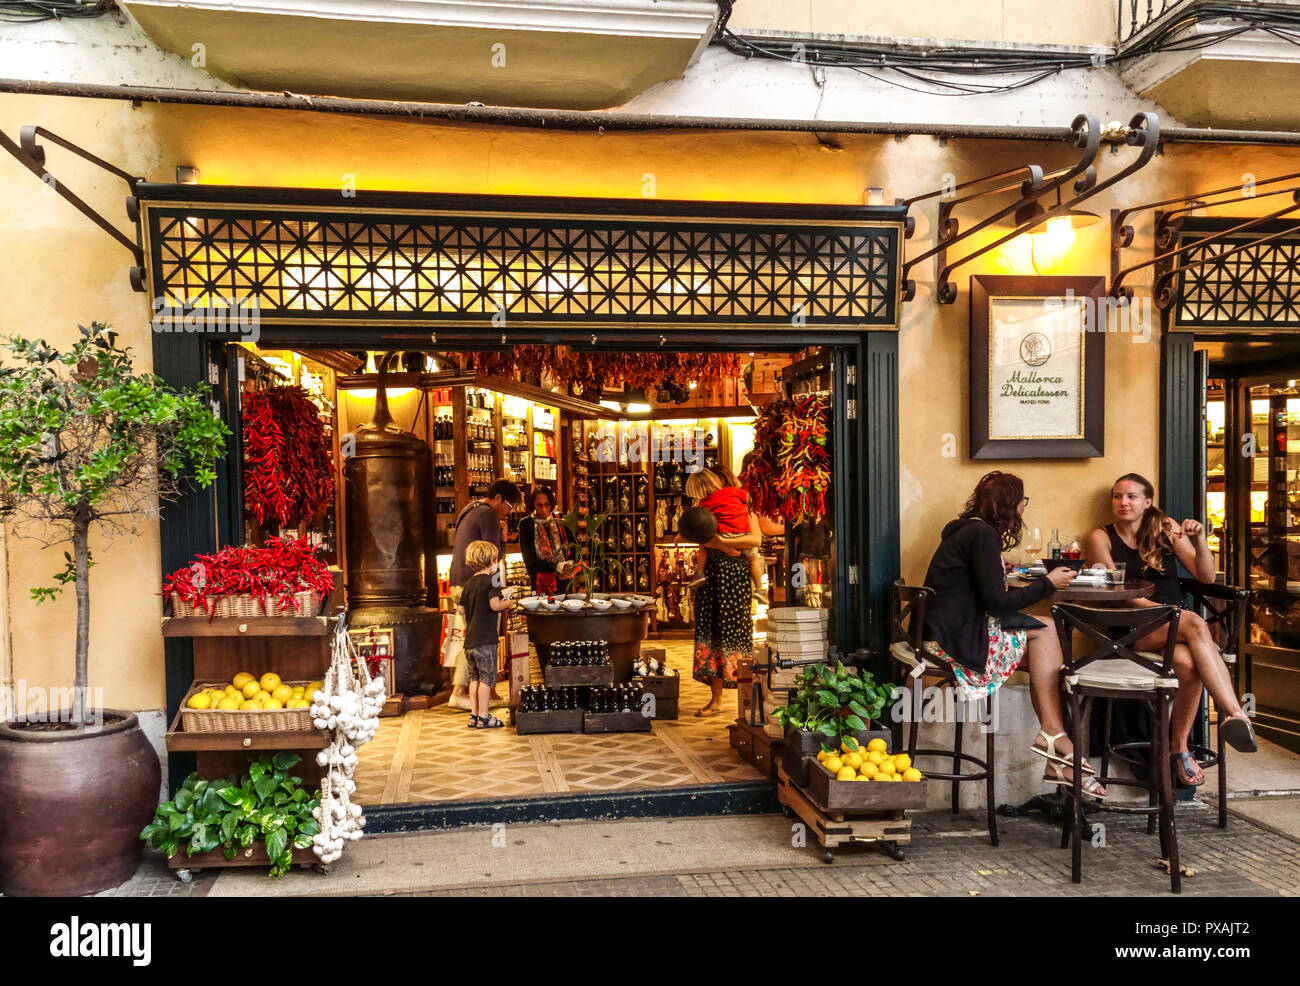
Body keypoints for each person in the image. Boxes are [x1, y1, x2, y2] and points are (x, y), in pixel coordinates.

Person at [923, 471, 1106, 797]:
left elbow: (979, 589)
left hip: (945, 630)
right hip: (952, 642)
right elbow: (998, 604)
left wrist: (997, 568)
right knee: (1048, 631)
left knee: (1044, 645)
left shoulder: (969, 529)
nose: (1024, 507)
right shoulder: (982, 534)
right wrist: (1048, 584)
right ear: (1011, 506)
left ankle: (1054, 745)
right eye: (1023, 501)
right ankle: (1055, 739)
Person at [1083, 473, 1257, 786]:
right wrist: (1168, 614)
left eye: (1132, 496)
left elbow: (1204, 575)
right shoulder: (1100, 537)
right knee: (1193, 621)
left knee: (1189, 665)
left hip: (1175, 627)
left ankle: (1178, 749)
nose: (1123, 502)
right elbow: (1121, 596)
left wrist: (1200, 538)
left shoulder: (1164, 527)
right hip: (1133, 628)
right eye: (1117, 496)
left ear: (1147, 502)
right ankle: (1235, 713)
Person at [683, 465, 762, 716]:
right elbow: (700, 537)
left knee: (736, 634)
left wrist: (724, 542)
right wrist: (716, 543)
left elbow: (755, 540)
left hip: (735, 574)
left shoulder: (744, 502)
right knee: (711, 632)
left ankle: (747, 703)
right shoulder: (708, 505)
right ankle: (716, 700)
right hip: (714, 575)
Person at [447, 479, 521, 711]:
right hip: (478, 584)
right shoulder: (489, 515)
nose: (509, 511)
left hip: (459, 581)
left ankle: (488, 691)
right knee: (478, 637)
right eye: (509, 505)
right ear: (497, 498)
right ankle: (459, 692)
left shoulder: (469, 508)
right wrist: (503, 536)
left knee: (467, 634)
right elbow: (493, 556)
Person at [686, 465, 768, 603]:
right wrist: (724, 545)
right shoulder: (741, 501)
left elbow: (701, 536)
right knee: (753, 557)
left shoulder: (707, 504)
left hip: (715, 572)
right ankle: (759, 588)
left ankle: (699, 574)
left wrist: (722, 543)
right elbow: (754, 541)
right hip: (735, 571)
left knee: (714, 618)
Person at [457, 540, 515, 729]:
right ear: (491, 560)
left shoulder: (469, 584)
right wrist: (509, 602)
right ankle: (484, 716)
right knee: (486, 679)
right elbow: (495, 605)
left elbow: (460, 610)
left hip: (470, 642)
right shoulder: (492, 581)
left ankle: (473, 715)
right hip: (486, 641)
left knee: (473, 678)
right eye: (496, 559)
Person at [517, 485, 574, 595]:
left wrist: (568, 569)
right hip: (540, 583)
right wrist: (556, 567)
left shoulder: (560, 520)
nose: (543, 509)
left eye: (547, 505)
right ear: (533, 504)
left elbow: (574, 548)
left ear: (552, 504)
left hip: (564, 582)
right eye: (539, 505)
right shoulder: (526, 524)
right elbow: (529, 560)